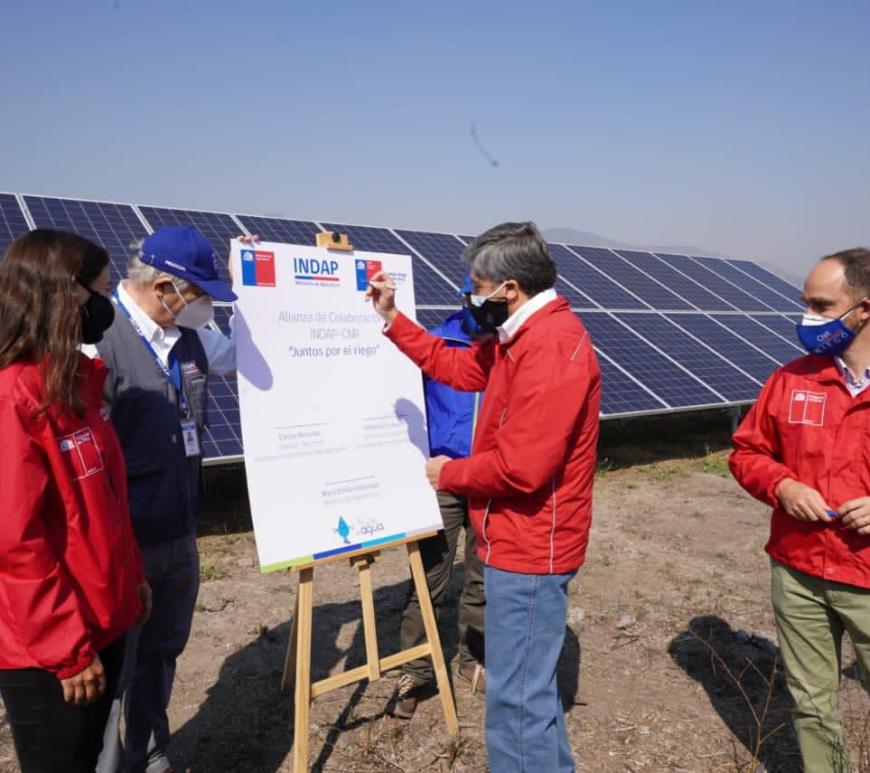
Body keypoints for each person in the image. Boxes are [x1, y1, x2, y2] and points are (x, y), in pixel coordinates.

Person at [368, 221, 600, 772]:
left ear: (510, 288)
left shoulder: (550, 349)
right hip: (515, 539)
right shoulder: (519, 340)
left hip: (531, 548)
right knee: (528, 696)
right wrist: (393, 320)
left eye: (477, 287)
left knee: (515, 705)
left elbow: (523, 468)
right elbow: (457, 365)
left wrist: (450, 474)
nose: (471, 297)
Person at [89, 226, 239, 773]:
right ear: (165, 287)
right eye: (197, 294)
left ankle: (149, 754)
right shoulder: (97, 340)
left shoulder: (188, 335)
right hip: (124, 541)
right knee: (116, 666)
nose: (203, 307)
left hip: (179, 529)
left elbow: (242, 356)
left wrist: (252, 279)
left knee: (161, 654)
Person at [0, 229, 149, 773]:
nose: (107, 308)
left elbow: (104, 504)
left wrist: (131, 580)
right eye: (102, 293)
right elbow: (16, 543)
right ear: (65, 293)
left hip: (99, 621)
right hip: (51, 650)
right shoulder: (14, 397)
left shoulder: (73, 386)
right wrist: (67, 650)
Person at [730, 248, 870, 773]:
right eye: (806, 303)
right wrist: (783, 486)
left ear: (864, 310)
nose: (808, 317)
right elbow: (747, 452)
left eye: (822, 305)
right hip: (798, 572)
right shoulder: (791, 380)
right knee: (811, 705)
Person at [393, 277, 490, 719]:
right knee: (429, 577)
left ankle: (474, 660)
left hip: (489, 479)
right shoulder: (437, 342)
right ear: (466, 297)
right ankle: (415, 671)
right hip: (443, 478)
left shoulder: (510, 346)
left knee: (482, 577)